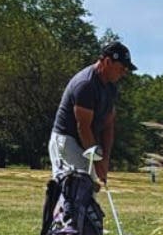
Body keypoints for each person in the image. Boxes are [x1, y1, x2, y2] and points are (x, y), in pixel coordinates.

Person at [48, 41, 136, 187]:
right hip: (68, 141)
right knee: (72, 189)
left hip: (87, 143)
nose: (124, 72)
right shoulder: (86, 84)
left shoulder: (111, 87)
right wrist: (97, 163)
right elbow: (83, 128)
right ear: (107, 62)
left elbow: (108, 125)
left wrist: (105, 160)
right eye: (121, 68)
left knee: (88, 190)